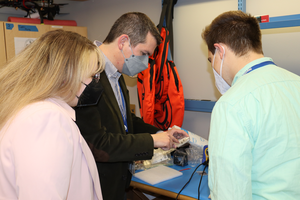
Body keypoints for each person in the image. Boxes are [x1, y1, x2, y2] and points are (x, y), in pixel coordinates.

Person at [74, 12, 189, 200]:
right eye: (144, 54)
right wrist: (153, 141)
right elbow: (97, 144)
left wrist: (165, 133)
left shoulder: (116, 74)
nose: (145, 64)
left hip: (117, 183)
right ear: (123, 42)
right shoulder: (88, 74)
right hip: (95, 186)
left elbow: (126, 122)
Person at [202, 10, 300, 200]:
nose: (212, 67)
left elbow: (228, 193)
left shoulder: (232, 104)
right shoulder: (296, 84)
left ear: (220, 51)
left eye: (210, 60)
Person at [0, 29, 105, 200]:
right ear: (66, 76)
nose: (94, 83)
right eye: (92, 76)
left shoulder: (25, 108)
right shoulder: (46, 119)